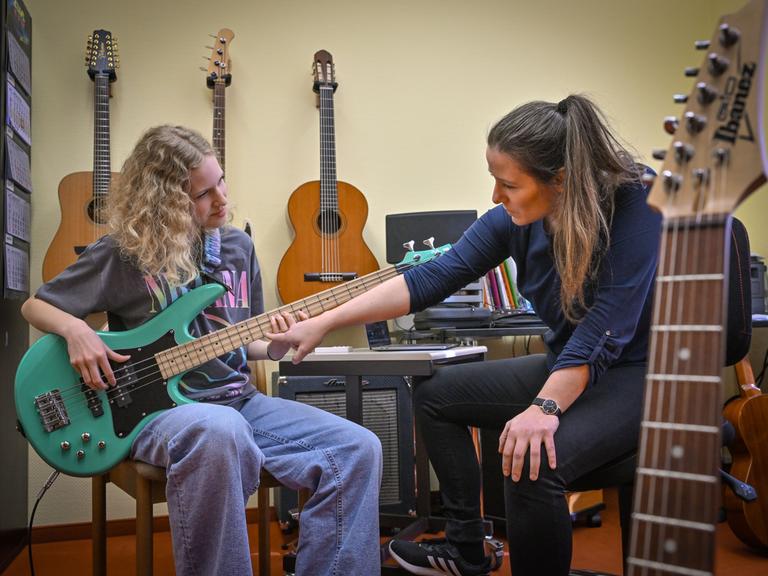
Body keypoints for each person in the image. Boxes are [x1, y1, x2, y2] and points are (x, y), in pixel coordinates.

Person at [269, 94, 662, 576]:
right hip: (569, 363)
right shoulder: (512, 222)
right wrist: (324, 320)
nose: (496, 196)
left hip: (640, 374)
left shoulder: (633, 202)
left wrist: (544, 408)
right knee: (436, 395)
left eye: (508, 184)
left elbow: (607, 325)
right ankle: (466, 549)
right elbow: (431, 277)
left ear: (559, 181)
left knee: (532, 461)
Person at [21, 125, 383, 576]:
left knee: (358, 448)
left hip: (238, 401)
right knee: (219, 429)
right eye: (203, 193)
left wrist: (276, 346)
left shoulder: (237, 247)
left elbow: (241, 337)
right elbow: (36, 306)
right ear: (164, 202)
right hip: (154, 414)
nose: (222, 199)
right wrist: (76, 331)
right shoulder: (122, 253)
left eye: (222, 182)